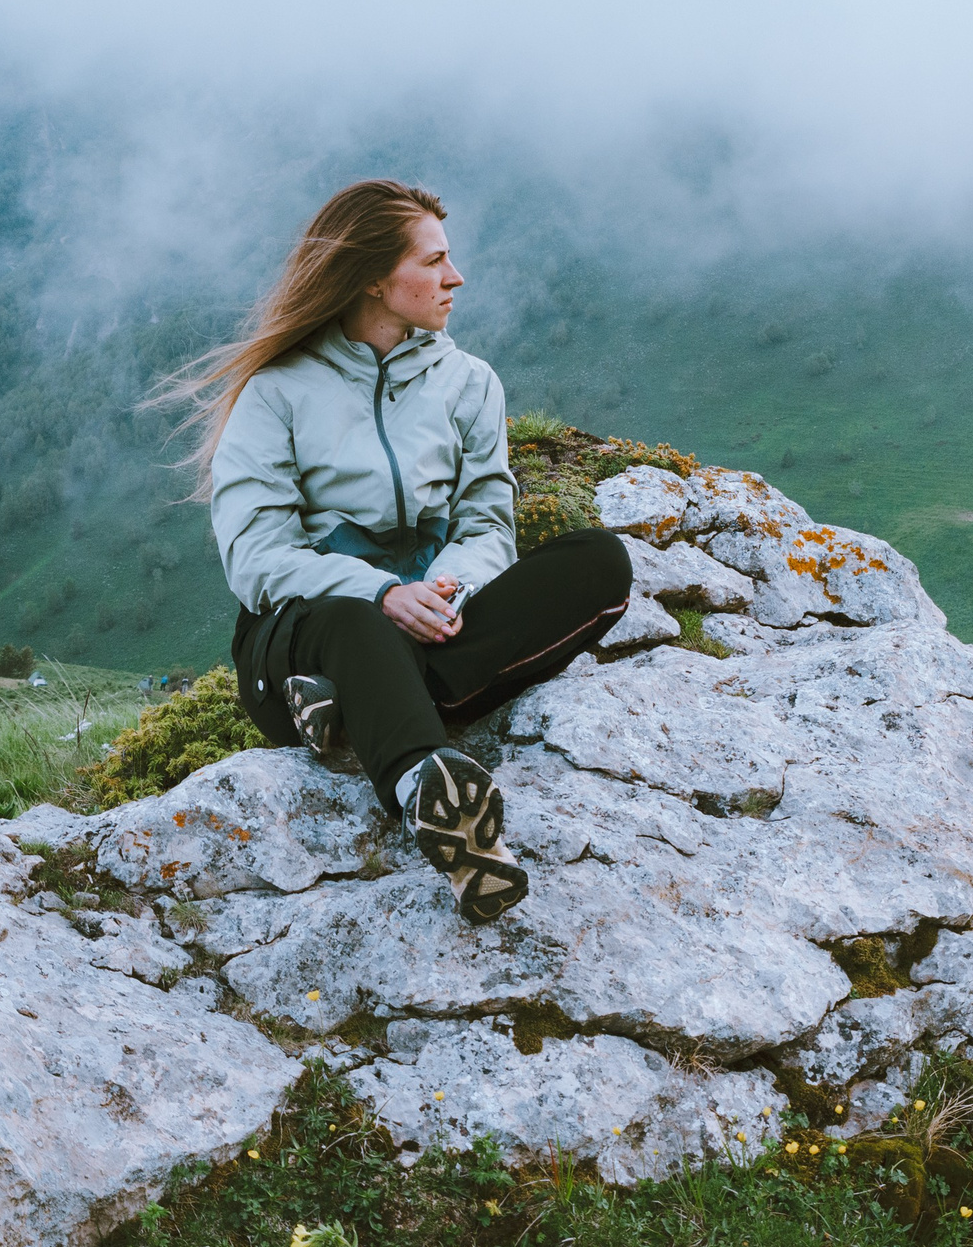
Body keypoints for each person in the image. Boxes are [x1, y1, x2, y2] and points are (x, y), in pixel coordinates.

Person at [158, 179, 631, 924]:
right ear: (375, 278)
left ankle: (354, 712)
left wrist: (446, 589)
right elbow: (255, 557)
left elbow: (487, 526)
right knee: (356, 624)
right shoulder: (276, 391)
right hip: (304, 633)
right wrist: (381, 594)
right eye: (435, 261)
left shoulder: (469, 384)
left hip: (439, 611)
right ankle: (434, 799)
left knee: (599, 562)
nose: (456, 277)